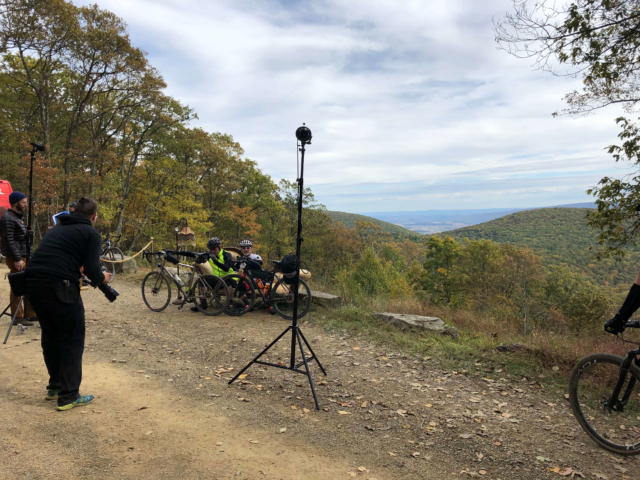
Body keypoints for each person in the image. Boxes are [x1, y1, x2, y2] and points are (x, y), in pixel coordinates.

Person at [25, 196, 112, 411]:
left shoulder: (57, 228)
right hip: (60, 287)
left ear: (73, 212)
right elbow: (92, 269)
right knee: (72, 338)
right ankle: (69, 395)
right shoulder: (91, 233)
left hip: (32, 285)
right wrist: (103, 278)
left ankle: (55, 386)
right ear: (94, 217)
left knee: (51, 334)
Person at [0, 191, 36, 325]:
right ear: (15, 203)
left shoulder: (16, 218)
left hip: (23, 255)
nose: (26, 204)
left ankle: (30, 314)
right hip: (16, 257)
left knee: (28, 283)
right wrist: (16, 258)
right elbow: (8, 240)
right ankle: (17, 316)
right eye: (23, 202)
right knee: (18, 285)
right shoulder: (7, 219)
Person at [190, 237, 236, 312]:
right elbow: (192, 254)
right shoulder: (209, 254)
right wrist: (175, 252)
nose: (212, 251)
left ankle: (230, 303)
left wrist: (215, 261)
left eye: (214, 249)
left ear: (219, 247)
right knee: (202, 281)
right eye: (210, 249)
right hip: (217, 278)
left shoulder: (227, 254)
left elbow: (226, 268)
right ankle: (203, 304)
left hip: (229, 278)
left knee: (226, 281)